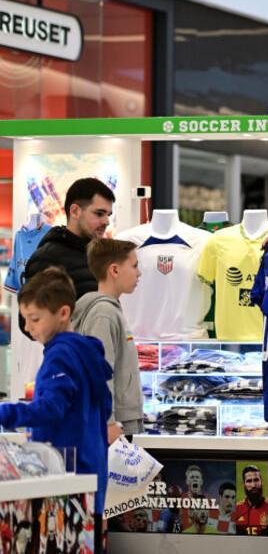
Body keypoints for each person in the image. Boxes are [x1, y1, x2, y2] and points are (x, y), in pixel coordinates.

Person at [0, 268, 112, 552]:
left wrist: (6, 414)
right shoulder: (85, 351)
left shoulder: (60, 354)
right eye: (25, 319)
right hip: (92, 469)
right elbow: (104, 406)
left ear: (63, 313)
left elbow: (52, 408)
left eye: (34, 319)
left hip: (65, 473)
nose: (28, 327)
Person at [19, 178, 115, 334]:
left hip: (102, 354)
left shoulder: (102, 256)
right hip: (71, 355)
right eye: (99, 213)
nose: (106, 221)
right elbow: (28, 322)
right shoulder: (47, 258)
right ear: (75, 211)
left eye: (109, 215)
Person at [72, 238, 143, 445]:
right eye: (134, 265)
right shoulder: (103, 313)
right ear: (114, 270)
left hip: (116, 423)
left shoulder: (110, 310)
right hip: (110, 427)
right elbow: (99, 372)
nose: (138, 273)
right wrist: (108, 421)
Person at [233, 465, 268, 536]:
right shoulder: (236, 510)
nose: (253, 485)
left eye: (256, 480)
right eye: (249, 481)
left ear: (262, 482)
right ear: (243, 484)